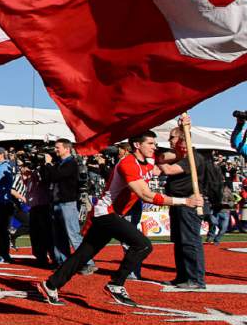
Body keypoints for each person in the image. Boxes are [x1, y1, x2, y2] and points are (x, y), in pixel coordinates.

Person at [39, 131, 201, 308]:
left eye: (155, 144)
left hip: (113, 213)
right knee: (143, 245)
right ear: (137, 145)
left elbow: (181, 154)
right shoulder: (128, 164)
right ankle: (116, 283)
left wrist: (183, 136)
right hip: (106, 213)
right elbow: (146, 195)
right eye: (151, 143)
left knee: (83, 255)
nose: (155, 147)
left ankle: (50, 285)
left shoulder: (153, 157)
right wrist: (185, 201)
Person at [158, 115, 207, 289]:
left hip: (190, 204)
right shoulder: (179, 156)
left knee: (189, 241)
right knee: (179, 241)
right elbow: (167, 159)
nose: (169, 140)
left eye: (172, 137)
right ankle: (182, 275)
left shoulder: (192, 158)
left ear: (182, 139)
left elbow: (169, 170)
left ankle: (195, 279)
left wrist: (158, 158)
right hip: (179, 203)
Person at [40, 139, 96, 274]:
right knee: (58, 236)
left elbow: (55, 176)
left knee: (73, 234)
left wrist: (48, 164)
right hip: (57, 202)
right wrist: (45, 165)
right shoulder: (60, 163)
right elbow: (46, 177)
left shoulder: (71, 163)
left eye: (58, 147)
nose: (55, 150)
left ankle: (88, 262)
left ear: (67, 149)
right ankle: (62, 262)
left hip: (68, 202)